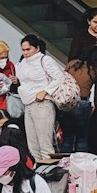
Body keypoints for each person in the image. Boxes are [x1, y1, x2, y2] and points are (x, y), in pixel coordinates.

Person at [15, 33, 64, 163]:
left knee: (45, 144)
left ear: (36, 48)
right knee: (33, 145)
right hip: (28, 104)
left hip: (43, 103)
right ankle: (38, 174)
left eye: (28, 49)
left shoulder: (45, 60)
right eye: (23, 49)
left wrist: (45, 91)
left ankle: (50, 174)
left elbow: (60, 77)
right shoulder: (21, 63)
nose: (25, 52)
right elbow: (23, 81)